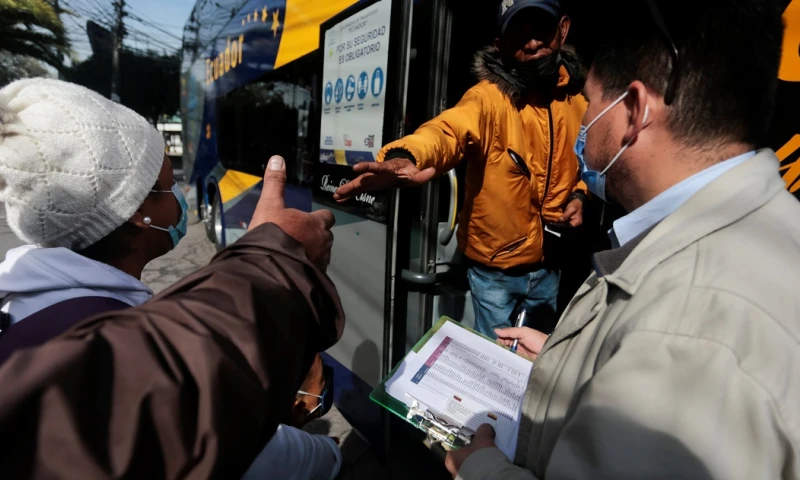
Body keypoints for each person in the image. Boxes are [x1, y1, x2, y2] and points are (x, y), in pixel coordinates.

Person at [444, 0, 800, 478]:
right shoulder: (764, 233)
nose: (584, 123)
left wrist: (482, 468)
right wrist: (563, 362)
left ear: (632, 111)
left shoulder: (688, 331)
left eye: (589, 103)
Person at [0, 79, 342, 479]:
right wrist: (330, 453)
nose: (181, 193)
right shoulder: (114, 341)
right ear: (134, 212)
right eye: (167, 185)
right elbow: (269, 458)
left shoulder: (20, 298)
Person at [334, 0, 588, 338]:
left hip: (552, 266)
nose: (531, 43)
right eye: (518, 34)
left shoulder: (580, 100)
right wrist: (408, 153)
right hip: (494, 272)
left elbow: (587, 163)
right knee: (493, 365)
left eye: (540, 29)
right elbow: (448, 130)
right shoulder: (487, 99)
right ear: (500, 45)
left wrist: (579, 196)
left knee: (537, 365)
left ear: (563, 30)